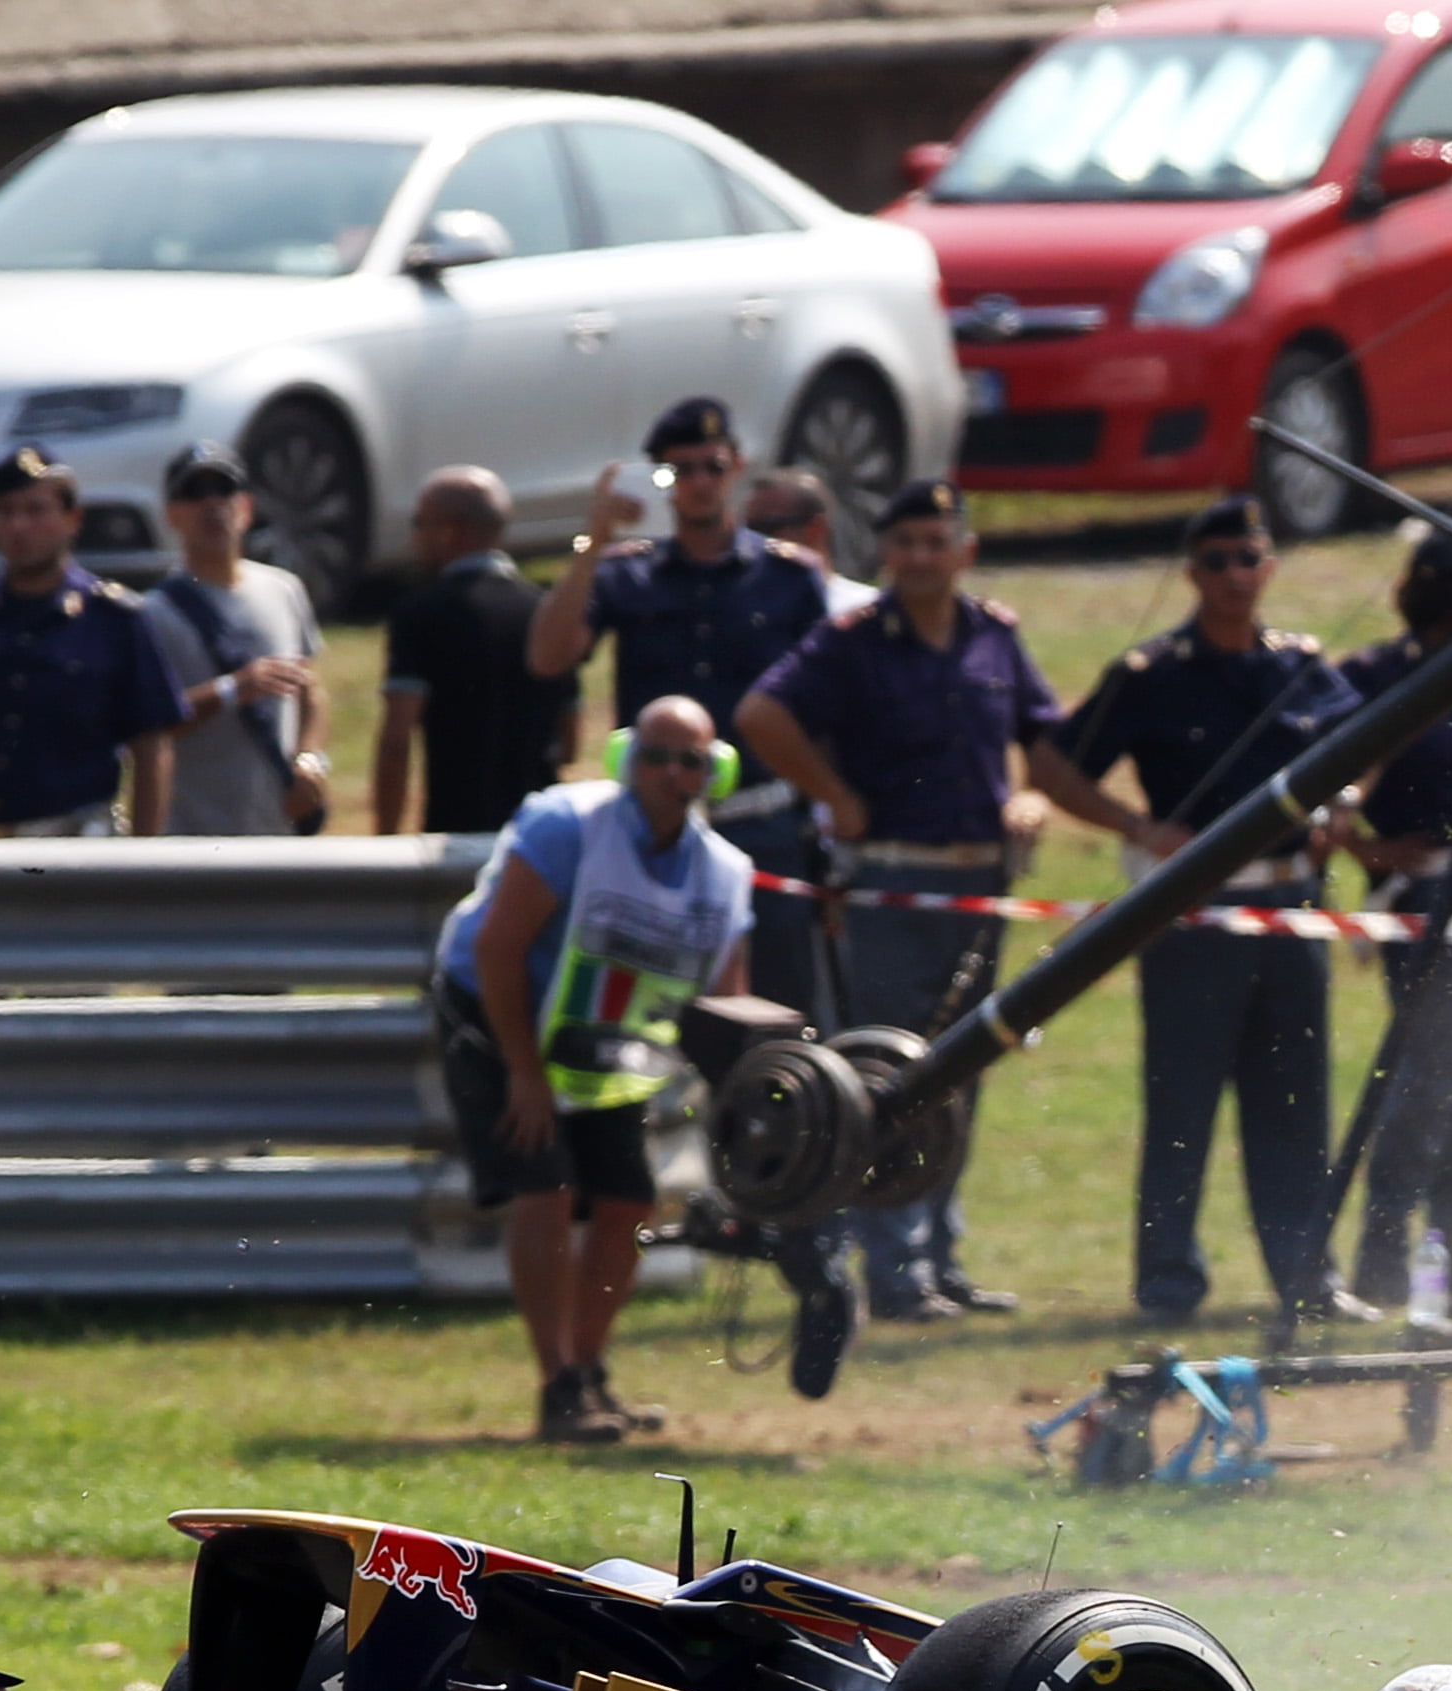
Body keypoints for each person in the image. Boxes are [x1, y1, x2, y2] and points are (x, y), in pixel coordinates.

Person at [738, 477, 1144, 1381]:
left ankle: (942, 1260)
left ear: (965, 550)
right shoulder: (852, 643)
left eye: (937, 541)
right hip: (891, 883)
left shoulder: (993, 636)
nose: (922, 557)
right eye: (906, 542)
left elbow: (1042, 740)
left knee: (961, 1074)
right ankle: (894, 1268)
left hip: (980, 887)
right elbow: (763, 715)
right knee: (889, 1076)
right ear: (888, 555)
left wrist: (1034, 798)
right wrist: (834, 797)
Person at [1068, 496, 1370, 1331]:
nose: (1234, 577)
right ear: (1192, 574)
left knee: (1298, 1103)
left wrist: (1344, 802)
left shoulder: (1301, 666)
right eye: (1216, 562)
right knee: (1183, 1106)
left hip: (1289, 901)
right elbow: (1058, 762)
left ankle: (1307, 1277)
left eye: (1249, 558)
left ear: (1269, 567)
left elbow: (1361, 742)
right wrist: (1134, 826)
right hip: (1194, 910)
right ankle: (1168, 1284)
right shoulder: (1151, 675)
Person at [435, 695, 758, 1447]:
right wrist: (524, 1074)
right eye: (654, 755)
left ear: (715, 773)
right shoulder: (564, 827)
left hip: (602, 1039)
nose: (671, 773)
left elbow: (728, 1000)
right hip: (496, 1013)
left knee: (626, 1198)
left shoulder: (724, 874)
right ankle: (556, 1385)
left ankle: (590, 1368)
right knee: (545, 1187)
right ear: (625, 758)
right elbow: (497, 951)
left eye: (690, 761)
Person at [534, 398, 838, 1017]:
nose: (699, 483)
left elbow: (828, 709)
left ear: (738, 469)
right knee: (646, 1002)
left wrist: (829, 830)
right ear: (659, 482)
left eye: (712, 467)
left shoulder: (791, 578)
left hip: (762, 822)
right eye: (680, 472)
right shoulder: (627, 574)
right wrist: (592, 543)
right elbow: (548, 656)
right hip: (654, 825)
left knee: (772, 1006)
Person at [1339, 524, 1452, 1319]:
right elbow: (1332, 785)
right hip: (1424, 902)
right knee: (1429, 1082)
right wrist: (1374, 852)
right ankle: (1383, 1255)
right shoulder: (1379, 676)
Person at [0, 449, 177, 837]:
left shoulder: (114, 619)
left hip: (71, 841)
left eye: (35, 510)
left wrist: (144, 854)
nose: (19, 526)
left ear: (72, 519)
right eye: (5, 512)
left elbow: (151, 743)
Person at [142, 443, 325, 838]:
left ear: (246, 507)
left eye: (224, 490)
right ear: (172, 515)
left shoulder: (284, 589)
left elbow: (310, 691)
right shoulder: (153, 614)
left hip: (277, 831)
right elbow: (145, 726)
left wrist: (310, 758)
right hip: (193, 835)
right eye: (194, 494)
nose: (212, 505)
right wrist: (232, 690)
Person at [378, 469, 574, 835]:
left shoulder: (419, 614)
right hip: (539, 839)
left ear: (451, 532)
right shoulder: (547, 613)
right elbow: (571, 745)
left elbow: (396, 741)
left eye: (420, 523)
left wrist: (385, 838)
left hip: (455, 831)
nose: (414, 538)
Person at [743, 471, 879, 620]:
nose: (754, 539)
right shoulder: (741, 605)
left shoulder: (865, 607)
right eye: (747, 529)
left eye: (765, 528)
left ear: (815, 528)